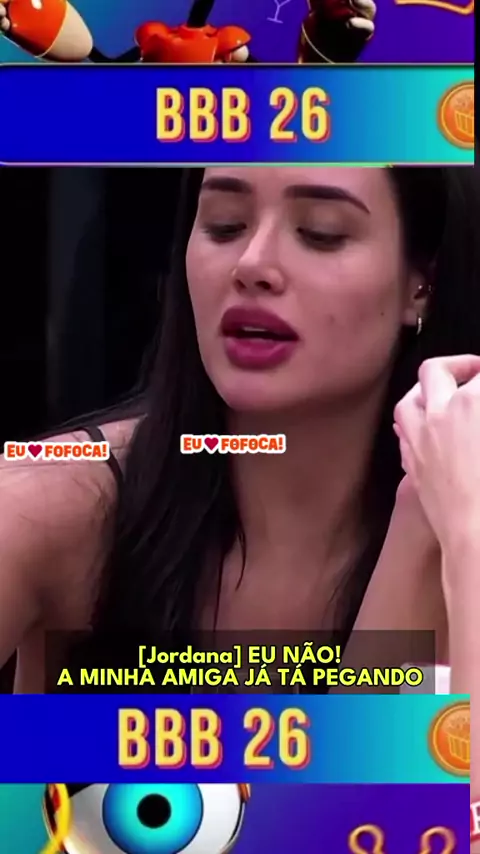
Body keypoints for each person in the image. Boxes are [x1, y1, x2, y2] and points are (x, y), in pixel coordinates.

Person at [0, 165, 478, 694]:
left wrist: (425, 530)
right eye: (224, 225)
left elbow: (376, 753)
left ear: (421, 285)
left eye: (320, 233)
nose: (252, 264)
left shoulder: (460, 531)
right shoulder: (50, 496)